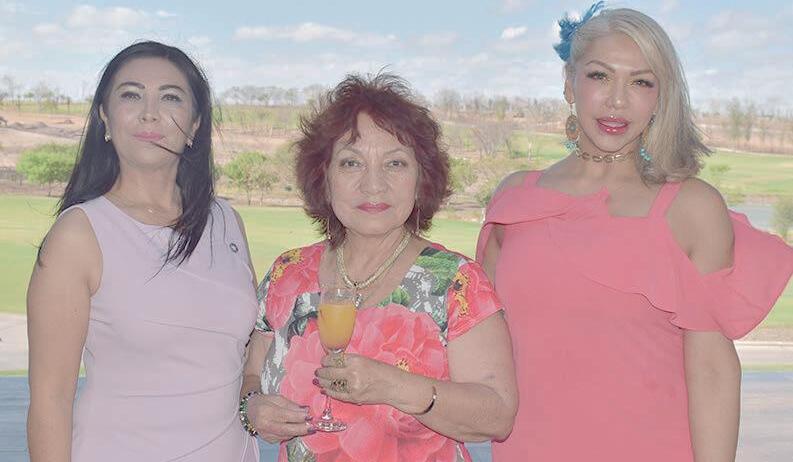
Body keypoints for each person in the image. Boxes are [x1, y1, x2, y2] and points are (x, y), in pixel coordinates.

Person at [477, 4, 793, 462]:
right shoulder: (514, 200)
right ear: (569, 83)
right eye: (600, 76)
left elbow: (711, 370)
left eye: (641, 82)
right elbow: (480, 351)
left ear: (661, 97)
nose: (617, 101)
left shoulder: (691, 208)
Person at [239, 73, 518, 461]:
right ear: (324, 178)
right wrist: (252, 408)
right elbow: (250, 375)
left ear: (421, 180)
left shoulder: (457, 282)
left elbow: (498, 415)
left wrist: (395, 386)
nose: (374, 185)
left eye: (395, 163)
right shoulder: (288, 274)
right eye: (351, 163)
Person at [26, 41, 259, 461]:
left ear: (194, 124)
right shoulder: (79, 235)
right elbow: (50, 400)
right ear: (105, 116)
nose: (150, 113)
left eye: (171, 97)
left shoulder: (227, 221)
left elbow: (244, 359)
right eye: (131, 95)